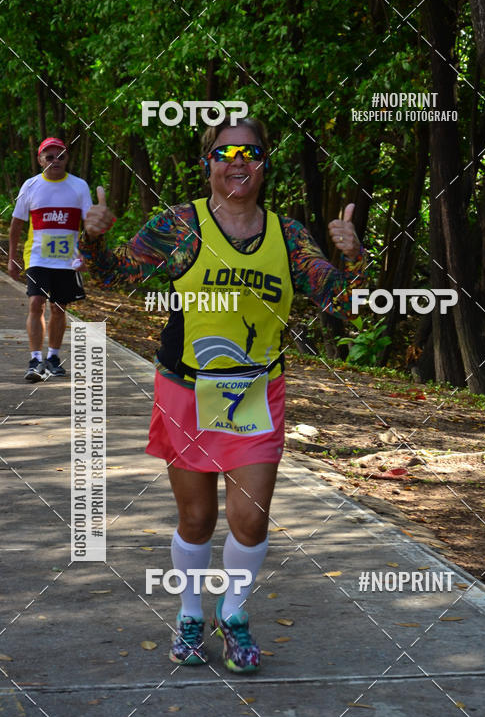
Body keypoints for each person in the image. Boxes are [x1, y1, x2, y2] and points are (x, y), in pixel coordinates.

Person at [80, 116, 366, 673]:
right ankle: (190, 615)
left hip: (256, 390)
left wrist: (352, 254)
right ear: (208, 162)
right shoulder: (180, 225)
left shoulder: (288, 235)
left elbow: (345, 302)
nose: (238, 161)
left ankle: (232, 614)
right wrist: (94, 237)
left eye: (251, 153)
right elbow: (111, 276)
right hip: (186, 387)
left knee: (252, 519)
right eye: (225, 152)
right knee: (197, 520)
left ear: (264, 165)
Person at [8, 138, 93, 382]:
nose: (55, 161)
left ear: (67, 159)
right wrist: (12, 258)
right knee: (36, 303)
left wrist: (86, 254)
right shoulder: (31, 185)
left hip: (67, 259)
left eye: (61, 156)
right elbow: (16, 225)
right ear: (40, 160)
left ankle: (53, 357)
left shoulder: (79, 186)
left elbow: (90, 227)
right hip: (37, 256)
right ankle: (35, 359)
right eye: (49, 157)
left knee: (59, 307)